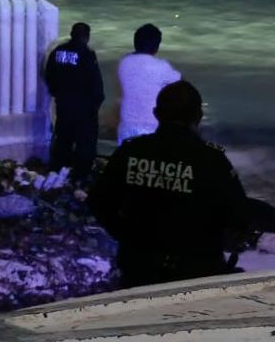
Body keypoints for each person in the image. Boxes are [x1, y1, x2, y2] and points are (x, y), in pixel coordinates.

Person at [88, 80, 250, 288]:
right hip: (195, 272)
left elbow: (99, 202)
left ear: (156, 114)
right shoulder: (212, 161)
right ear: (198, 117)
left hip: (139, 268)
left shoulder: (131, 152)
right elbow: (239, 217)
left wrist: (126, 235)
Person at [44, 22, 104, 178]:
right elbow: (96, 84)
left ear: (71, 34)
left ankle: (57, 175)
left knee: (63, 140)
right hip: (83, 108)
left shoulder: (57, 52)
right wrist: (95, 105)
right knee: (85, 144)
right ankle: (80, 178)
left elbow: (49, 75)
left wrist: (57, 94)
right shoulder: (87, 54)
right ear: (87, 37)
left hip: (63, 105)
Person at [116, 23, 181, 144]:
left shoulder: (124, 62)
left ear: (135, 43)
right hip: (151, 129)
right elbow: (182, 84)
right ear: (156, 47)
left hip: (126, 128)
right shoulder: (161, 66)